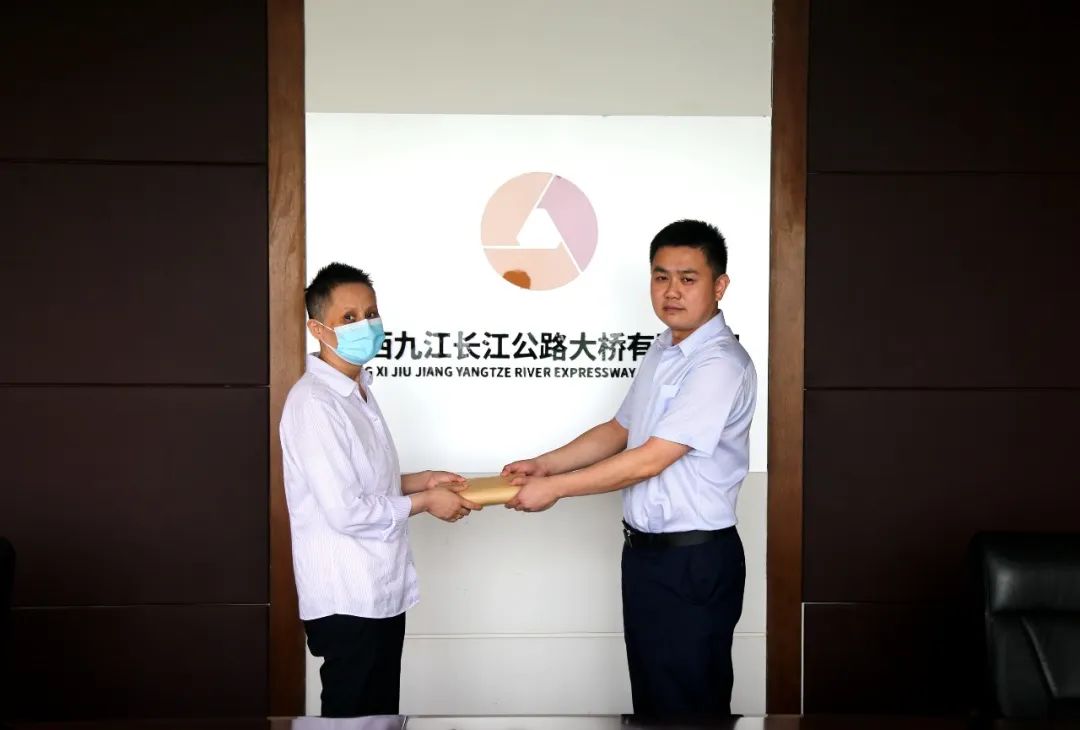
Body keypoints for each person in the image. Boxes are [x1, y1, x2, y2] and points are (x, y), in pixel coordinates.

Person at [503, 220, 756, 717]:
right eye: (661, 277)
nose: (672, 291)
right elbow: (620, 429)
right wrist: (543, 465)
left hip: (693, 561)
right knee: (654, 701)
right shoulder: (665, 349)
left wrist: (556, 489)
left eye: (688, 278)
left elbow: (652, 458)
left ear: (719, 285)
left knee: (688, 707)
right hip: (646, 558)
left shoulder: (719, 363)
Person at [280, 262, 481, 717]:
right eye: (349, 317)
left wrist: (425, 480)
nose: (366, 325)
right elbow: (346, 510)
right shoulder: (315, 404)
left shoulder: (359, 391)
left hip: (377, 589)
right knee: (353, 718)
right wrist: (426, 502)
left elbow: (369, 482)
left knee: (380, 716)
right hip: (346, 596)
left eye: (371, 313)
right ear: (318, 329)